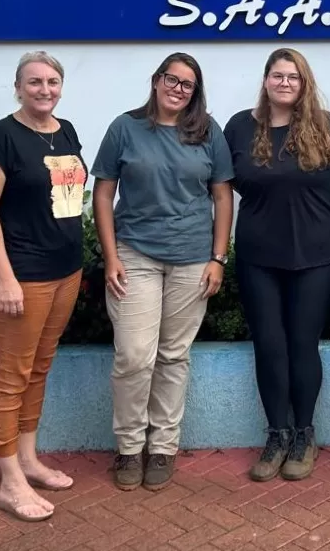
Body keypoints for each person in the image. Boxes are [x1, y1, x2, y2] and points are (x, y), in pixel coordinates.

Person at [91, 52, 234, 492]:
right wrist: (111, 256)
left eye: (187, 84)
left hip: (193, 259)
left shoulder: (208, 132)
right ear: (156, 81)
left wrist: (218, 257)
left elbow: (223, 196)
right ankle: (130, 447)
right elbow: (103, 193)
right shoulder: (125, 127)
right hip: (136, 255)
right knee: (134, 354)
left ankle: (163, 448)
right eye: (171, 79)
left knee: (173, 355)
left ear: (195, 92)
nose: (177, 89)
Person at [224, 48, 330, 483]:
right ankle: (277, 434)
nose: (284, 83)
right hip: (259, 255)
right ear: (265, 80)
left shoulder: (329, 127)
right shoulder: (241, 127)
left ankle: (304, 434)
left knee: (302, 342)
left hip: (318, 254)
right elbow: (227, 184)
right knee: (269, 344)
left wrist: (309, 210)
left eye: (293, 77)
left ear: (304, 83)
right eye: (277, 75)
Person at [0, 51, 88, 522]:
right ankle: (9, 482)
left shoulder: (66, 131)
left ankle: (28, 458)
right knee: (11, 376)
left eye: (52, 81)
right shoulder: (2, 137)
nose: (45, 89)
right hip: (24, 275)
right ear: (18, 87)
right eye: (35, 82)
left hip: (66, 270)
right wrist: (5, 278)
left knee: (38, 369)